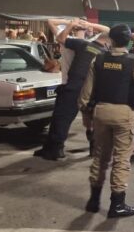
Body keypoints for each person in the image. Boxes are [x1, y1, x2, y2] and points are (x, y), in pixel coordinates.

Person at [79, 25, 134, 218]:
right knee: (121, 159)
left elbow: (86, 92)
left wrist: (86, 114)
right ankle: (117, 204)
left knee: (100, 158)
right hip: (124, 113)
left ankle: (94, 200)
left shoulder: (98, 59)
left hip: (101, 112)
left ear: (110, 40)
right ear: (129, 41)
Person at [35, 18, 110, 160]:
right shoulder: (101, 49)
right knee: (90, 119)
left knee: (62, 118)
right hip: (91, 89)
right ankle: (94, 147)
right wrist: (88, 24)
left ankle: (55, 149)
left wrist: (72, 23)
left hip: (72, 86)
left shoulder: (79, 43)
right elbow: (107, 30)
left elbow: (52, 24)